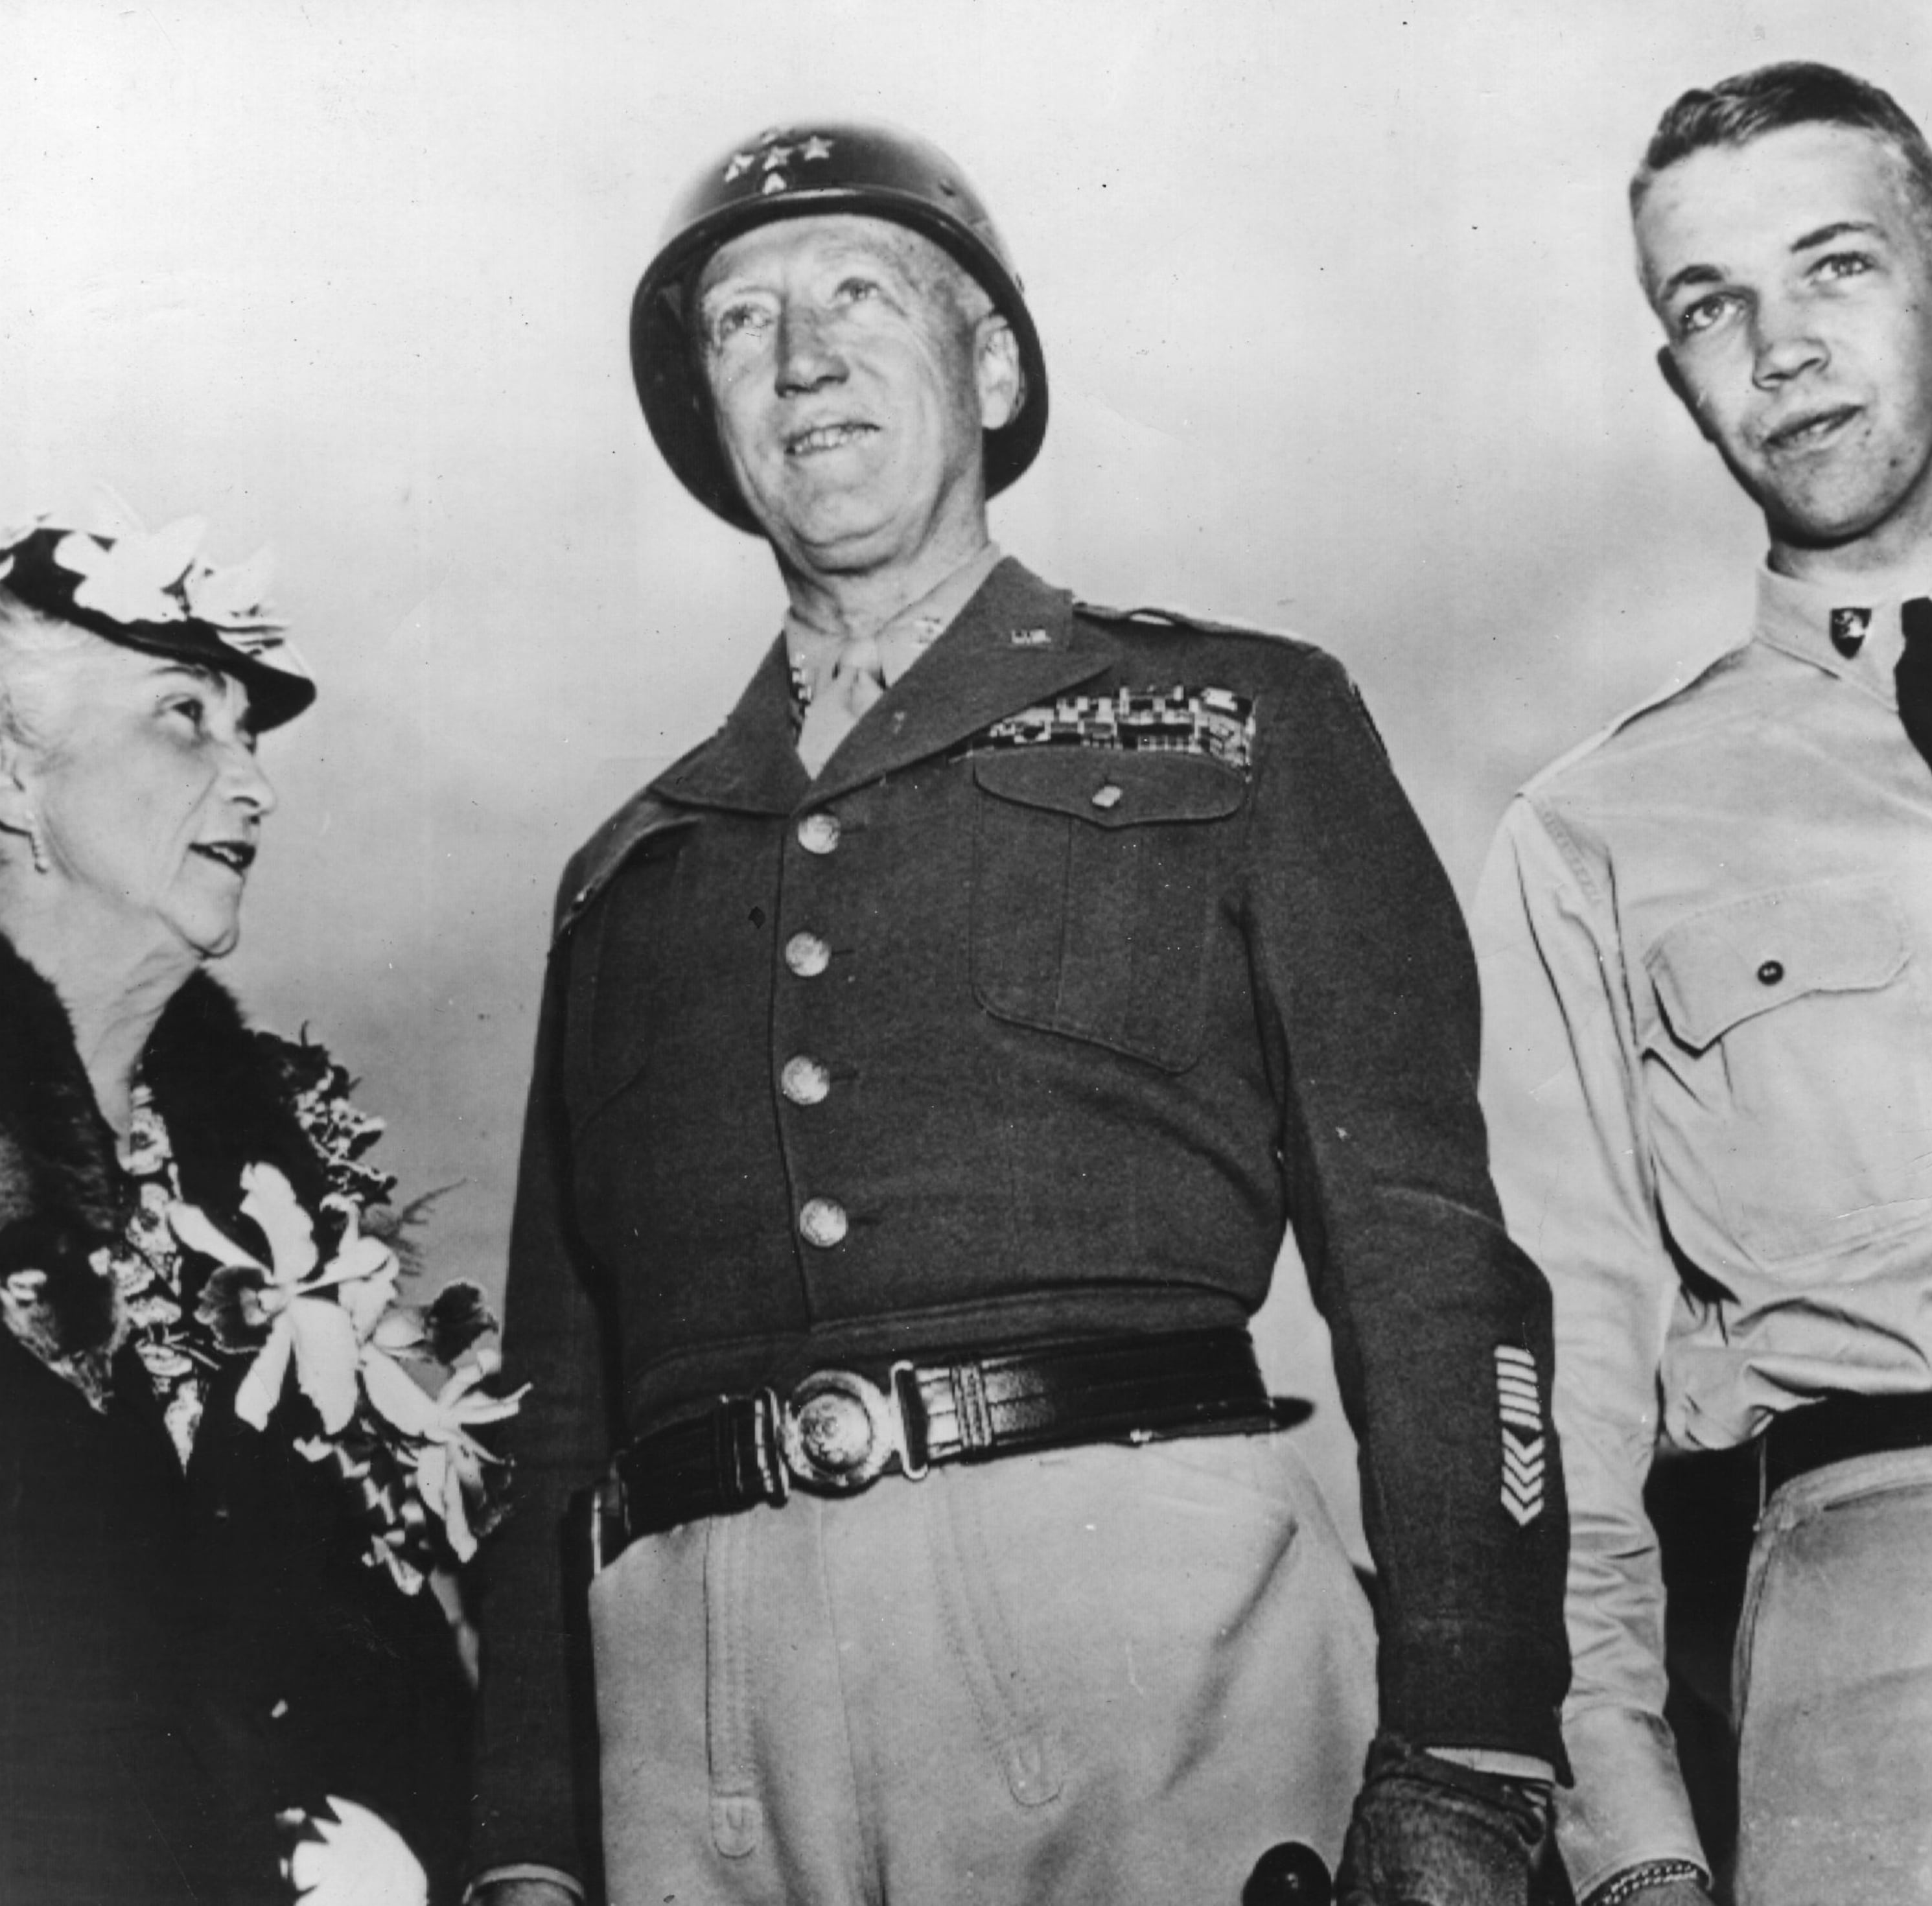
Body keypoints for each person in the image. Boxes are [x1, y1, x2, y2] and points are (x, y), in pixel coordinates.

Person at [468, 121, 1569, 1906]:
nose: (802, 357)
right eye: (741, 323)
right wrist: (525, 1840)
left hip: (1156, 1662)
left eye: (858, 295)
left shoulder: (1241, 718)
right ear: (710, 415)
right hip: (705, 1731)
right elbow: (551, 1409)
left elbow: (1432, 1265)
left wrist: (1474, 1747)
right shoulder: (631, 874)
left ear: (988, 362)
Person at [1472, 60, 1932, 1906]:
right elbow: (1571, 1374)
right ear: (1677, 376)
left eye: (1834, 269)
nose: (1779, 347)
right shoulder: (1594, 833)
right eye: (1712, 306)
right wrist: (1630, 1825)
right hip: (1908, 1666)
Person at [0, 506, 513, 1903]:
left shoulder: (284, 1206)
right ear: (6, 773)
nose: (253, 783)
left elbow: (367, 1636)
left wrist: (382, 1826)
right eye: (185, 719)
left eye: (250, 733)